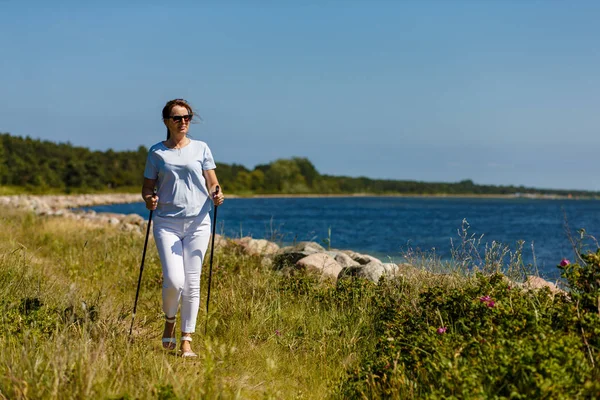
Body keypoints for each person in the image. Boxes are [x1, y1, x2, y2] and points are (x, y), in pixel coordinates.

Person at [142, 98, 224, 357]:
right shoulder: (157, 152)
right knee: (174, 281)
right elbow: (147, 187)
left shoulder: (201, 148)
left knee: (192, 283)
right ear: (167, 121)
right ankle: (169, 322)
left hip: (199, 221)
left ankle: (187, 339)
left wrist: (217, 194)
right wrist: (149, 198)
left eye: (187, 117)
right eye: (177, 118)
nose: (183, 122)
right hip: (166, 222)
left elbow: (212, 182)